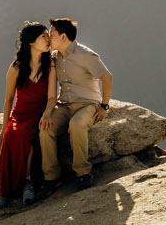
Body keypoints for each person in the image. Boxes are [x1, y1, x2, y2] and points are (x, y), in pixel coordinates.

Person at [39, 17, 113, 190]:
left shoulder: (86, 55)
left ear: (63, 36)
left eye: (52, 34)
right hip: (64, 105)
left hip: (87, 104)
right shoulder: (55, 57)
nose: (49, 38)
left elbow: (107, 78)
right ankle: (51, 177)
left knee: (77, 125)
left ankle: (84, 174)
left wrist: (104, 106)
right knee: (45, 128)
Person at [0, 21, 53, 209]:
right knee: (11, 136)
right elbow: (9, 99)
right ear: (31, 41)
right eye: (43, 36)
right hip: (20, 113)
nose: (48, 39)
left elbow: (51, 97)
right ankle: (3, 191)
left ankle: (27, 183)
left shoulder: (50, 64)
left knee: (27, 136)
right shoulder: (16, 67)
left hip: (40, 112)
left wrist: (47, 114)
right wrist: (4, 128)